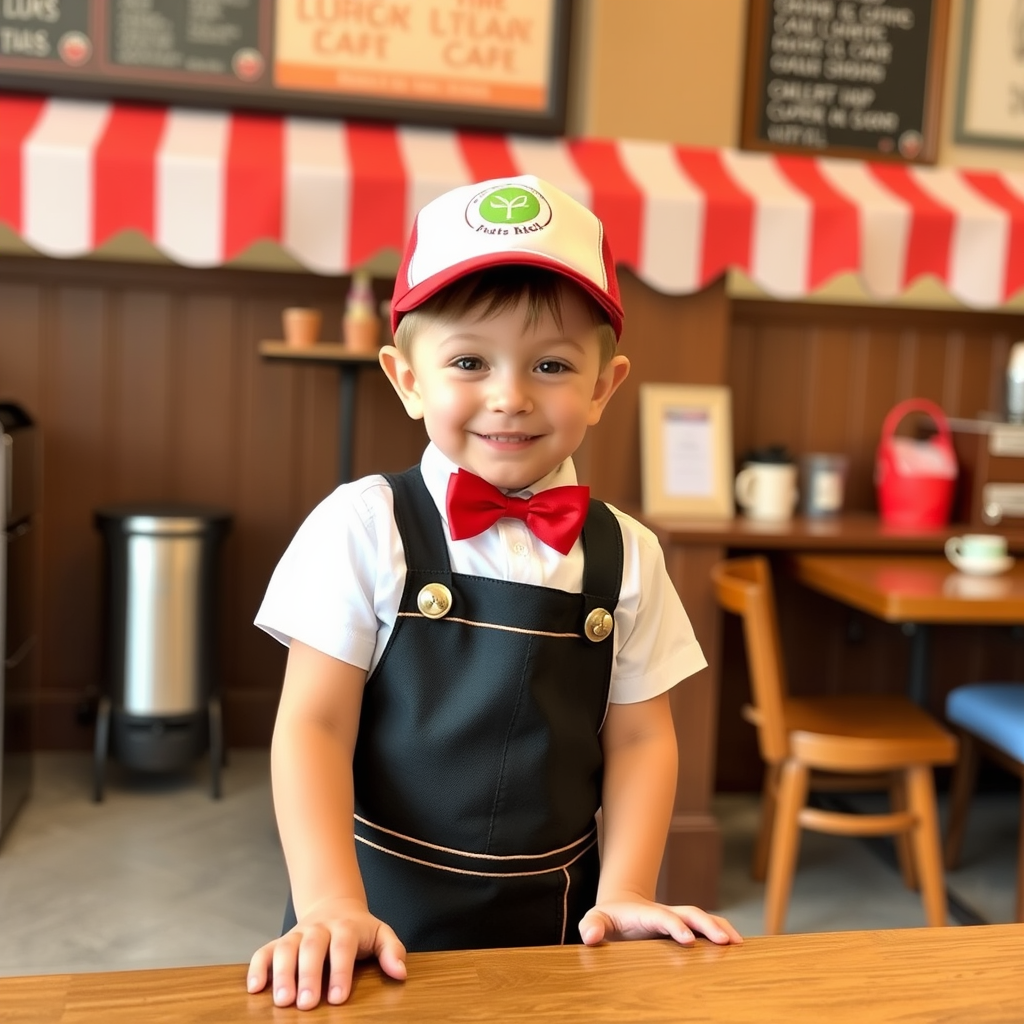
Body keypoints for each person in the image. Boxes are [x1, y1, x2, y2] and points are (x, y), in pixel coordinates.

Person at [247, 175, 742, 1011]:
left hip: (558, 927)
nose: (509, 395)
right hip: (370, 918)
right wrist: (331, 902)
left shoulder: (630, 554)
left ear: (603, 385)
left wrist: (623, 891)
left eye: (550, 364)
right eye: (469, 361)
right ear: (406, 379)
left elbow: (640, 743)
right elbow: (313, 725)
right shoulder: (364, 526)